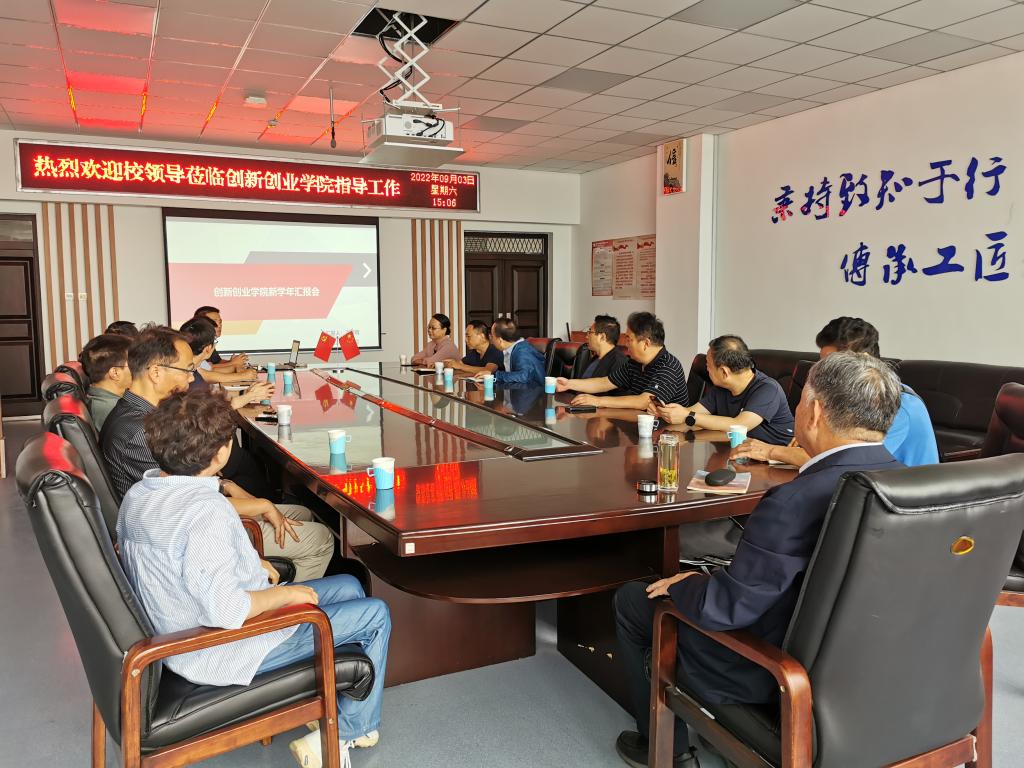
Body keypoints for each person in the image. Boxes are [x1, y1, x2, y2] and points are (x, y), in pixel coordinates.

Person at [613, 352, 904, 767]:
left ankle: (667, 750)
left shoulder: (793, 502)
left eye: (800, 400)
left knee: (635, 601)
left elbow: (725, 608)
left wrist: (688, 583)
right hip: (878, 665)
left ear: (814, 412)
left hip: (772, 672)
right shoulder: (911, 484)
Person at [117, 389, 389, 768]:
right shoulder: (205, 510)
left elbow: (176, 562)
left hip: (175, 629)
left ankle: (330, 701)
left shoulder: (138, 495)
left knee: (350, 586)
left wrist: (249, 564)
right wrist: (286, 597)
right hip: (223, 648)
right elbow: (227, 611)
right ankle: (346, 731)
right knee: (376, 614)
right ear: (221, 454)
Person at [100, 325, 333, 581]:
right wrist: (259, 504)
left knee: (303, 514)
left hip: (195, 512)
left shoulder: (145, 415)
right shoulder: (137, 431)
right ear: (156, 372)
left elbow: (185, 484)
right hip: (189, 531)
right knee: (321, 538)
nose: (192, 379)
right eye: (187, 370)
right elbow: (184, 502)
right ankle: (279, 600)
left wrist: (226, 485)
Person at [733, 317, 939, 467]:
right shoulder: (853, 399)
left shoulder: (896, 405)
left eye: (830, 363)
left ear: (862, 361)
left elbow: (846, 459)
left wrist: (771, 451)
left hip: (906, 505)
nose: (822, 371)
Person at [653, 335, 794, 445]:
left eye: (708, 366)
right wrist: (667, 413)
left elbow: (740, 425)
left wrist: (687, 416)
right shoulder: (721, 389)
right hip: (741, 453)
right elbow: (691, 414)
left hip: (778, 460)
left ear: (724, 372)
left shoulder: (768, 389)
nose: (707, 370)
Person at [556, 312, 688, 409]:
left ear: (646, 343)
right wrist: (569, 384)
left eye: (629, 339)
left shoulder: (668, 366)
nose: (625, 344)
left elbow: (645, 401)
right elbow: (606, 382)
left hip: (668, 433)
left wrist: (598, 401)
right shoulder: (635, 363)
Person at [180, 316, 274, 407]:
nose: (190, 378)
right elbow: (211, 412)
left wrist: (247, 394)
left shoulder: (191, 369)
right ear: (208, 348)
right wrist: (250, 396)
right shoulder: (192, 378)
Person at [79, 333, 133, 431]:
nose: (138, 369)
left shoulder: (103, 401)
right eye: (133, 364)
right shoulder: (114, 411)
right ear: (115, 373)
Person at [481, 317, 546, 387]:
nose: (491, 340)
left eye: (492, 336)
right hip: (519, 389)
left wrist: (494, 375)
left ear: (500, 340)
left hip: (532, 391)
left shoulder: (522, 351)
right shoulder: (512, 349)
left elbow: (523, 376)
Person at [195, 305, 249, 371]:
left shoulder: (209, 341)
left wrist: (231, 361)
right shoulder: (195, 343)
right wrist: (233, 363)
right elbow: (204, 369)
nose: (219, 325)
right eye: (214, 322)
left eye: (220, 322)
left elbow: (217, 362)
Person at [581, 314, 628, 380]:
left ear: (602, 337)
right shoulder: (594, 358)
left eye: (590, 332)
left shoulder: (619, 363)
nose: (587, 336)